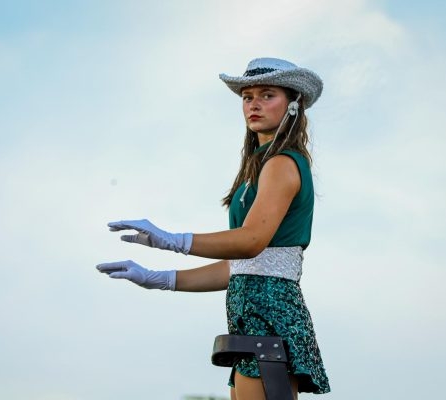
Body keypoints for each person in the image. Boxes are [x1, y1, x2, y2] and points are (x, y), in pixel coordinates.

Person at [97, 57, 331, 400]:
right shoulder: (260, 166)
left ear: (294, 104)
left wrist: (173, 240)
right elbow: (241, 267)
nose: (254, 104)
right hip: (249, 310)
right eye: (247, 96)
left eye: (267, 95)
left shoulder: (282, 163)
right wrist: (160, 278)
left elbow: (250, 242)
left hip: (268, 312)